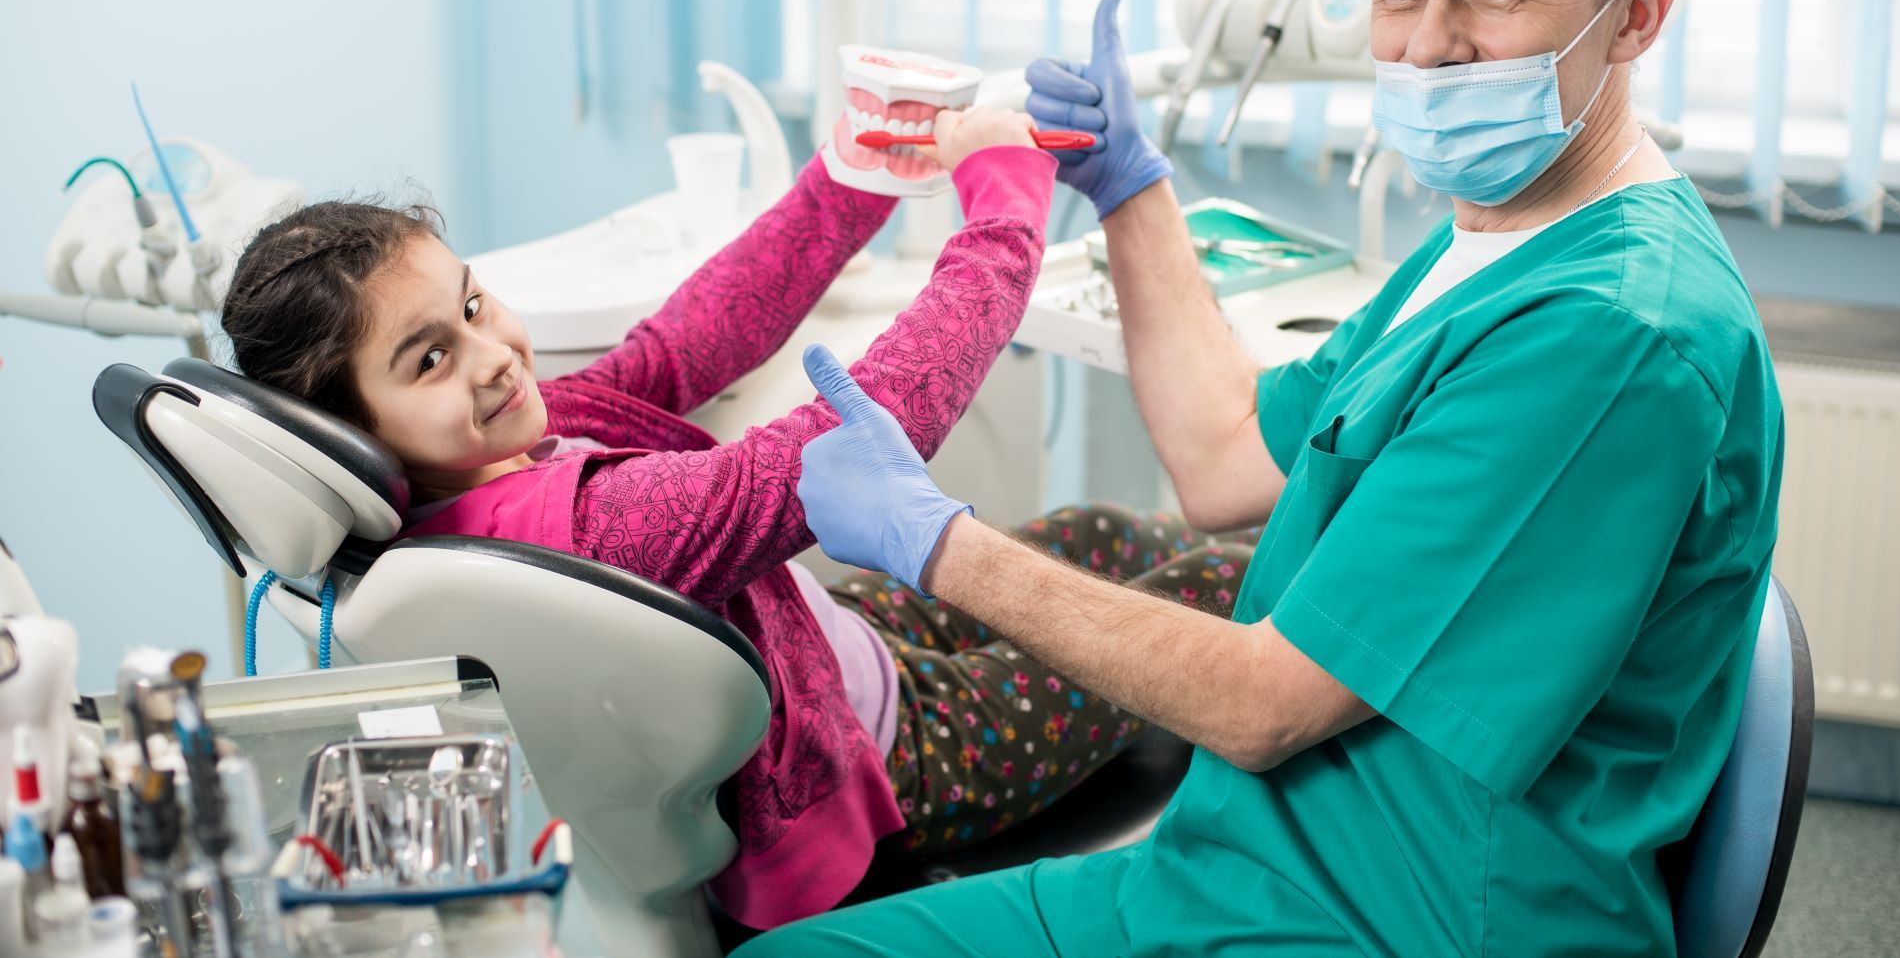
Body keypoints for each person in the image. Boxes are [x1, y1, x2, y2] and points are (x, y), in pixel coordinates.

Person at [751, 0, 1784, 956]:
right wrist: (1132, 189)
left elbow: (1260, 704)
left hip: (1405, 916)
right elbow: (1225, 452)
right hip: (1257, 860)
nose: (1432, 43)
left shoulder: (1610, 337)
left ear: (1636, 12)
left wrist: (936, 541)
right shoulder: (1496, 235)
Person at [219, 107, 1248, 930]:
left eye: (474, 304)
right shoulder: (592, 527)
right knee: (1214, 588)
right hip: (891, 759)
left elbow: (686, 344)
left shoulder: (490, 464)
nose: (490, 355)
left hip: (846, 655)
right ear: (355, 434)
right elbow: (877, 419)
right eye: (429, 358)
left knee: (1107, 531)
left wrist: (847, 181)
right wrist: (1004, 205)